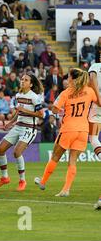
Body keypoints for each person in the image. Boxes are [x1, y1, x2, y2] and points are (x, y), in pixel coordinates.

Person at [34, 68, 101, 197]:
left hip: (68, 129)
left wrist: (50, 105)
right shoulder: (89, 91)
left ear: (72, 79)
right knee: (73, 160)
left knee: (55, 156)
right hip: (83, 130)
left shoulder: (66, 93)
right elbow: (98, 102)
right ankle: (66, 189)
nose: (66, 79)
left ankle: (43, 182)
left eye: (68, 77)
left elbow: (54, 110)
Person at [0, 73, 44, 191]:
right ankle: (5, 177)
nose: (22, 81)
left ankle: (22, 180)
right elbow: (18, 112)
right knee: (0, 149)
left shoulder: (34, 97)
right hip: (18, 126)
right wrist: (11, 122)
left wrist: (25, 110)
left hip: (29, 128)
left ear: (31, 84)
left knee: (17, 152)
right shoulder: (18, 95)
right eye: (22, 79)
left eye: (26, 80)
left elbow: (41, 115)